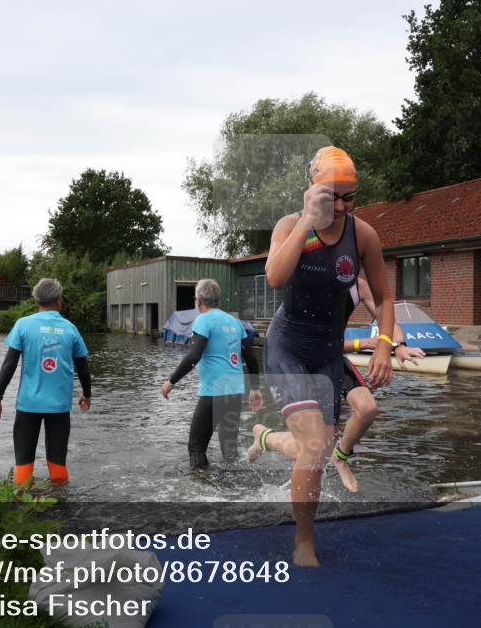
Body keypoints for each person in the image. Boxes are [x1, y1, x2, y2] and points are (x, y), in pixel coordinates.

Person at [258, 146, 395, 567]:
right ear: (311, 189)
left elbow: (385, 298)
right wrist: (305, 221)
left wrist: (387, 344)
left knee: (316, 448)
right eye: (329, 195)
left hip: (327, 353)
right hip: (288, 347)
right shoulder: (289, 225)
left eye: (347, 197)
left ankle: (264, 438)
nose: (338, 206)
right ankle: (303, 542)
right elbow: (276, 276)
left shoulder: (363, 235)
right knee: (316, 446)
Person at [250, 275, 425, 492]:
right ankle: (266, 438)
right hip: (294, 358)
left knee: (367, 409)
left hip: (329, 357)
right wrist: (363, 343)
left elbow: (386, 319)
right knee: (315, 448)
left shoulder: (359, 287)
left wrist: (397, 345)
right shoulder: (308, 278)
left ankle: (341, 457)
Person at [0, 278, 92, 486]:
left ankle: (21, 507)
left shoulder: (23, 325)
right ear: (59, 300)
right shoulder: (70, 328)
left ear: (36, 299)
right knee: (58, 465)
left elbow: (9, 364)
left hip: (28, 405)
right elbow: (83, 367)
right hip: (59, 407)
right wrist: (87, 394)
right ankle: (60, 508)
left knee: (23, 464)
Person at [161, 279, 263, 468]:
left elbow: (194, 355)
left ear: (198, 300)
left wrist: (171, 381)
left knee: (196, 447)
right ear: (218, 299)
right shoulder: (235, 322)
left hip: (213, 391)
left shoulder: (202, 320)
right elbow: (250, 357)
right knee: (229, 449)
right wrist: (255, 388)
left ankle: (202, 490)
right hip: (235, 391)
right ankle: (233, 488)